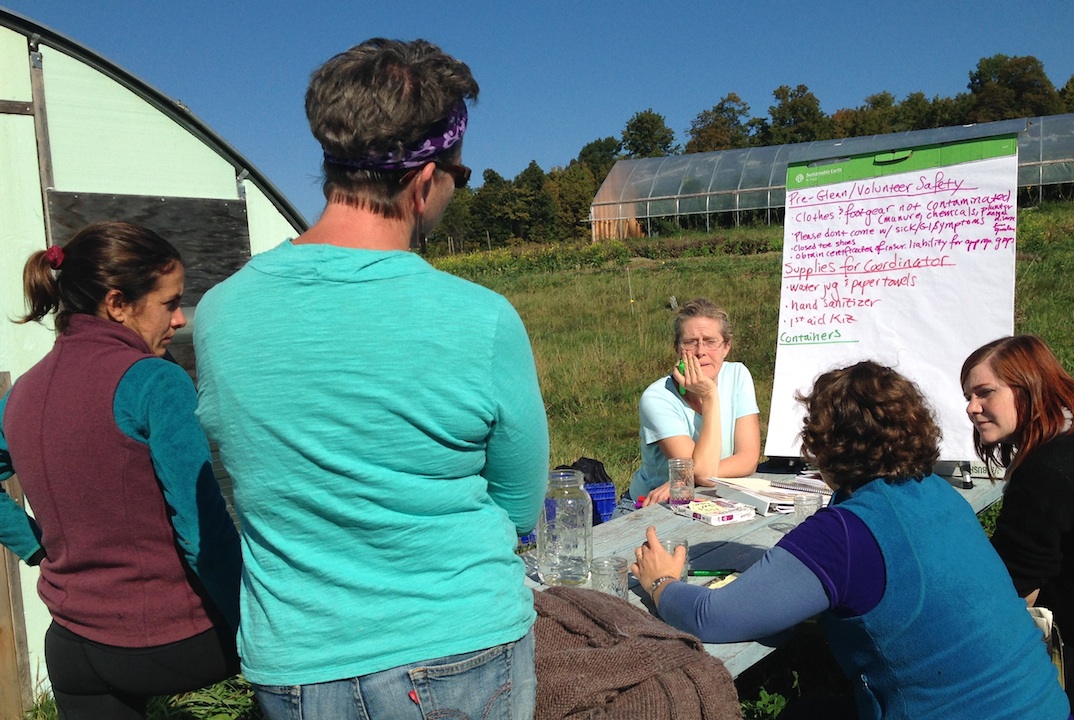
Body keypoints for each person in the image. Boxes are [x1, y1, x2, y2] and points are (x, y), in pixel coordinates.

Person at [193, 38, 549, 720]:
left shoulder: (220, 314)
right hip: (461, 644)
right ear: (424, 182)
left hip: (296, 662)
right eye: (458, 175)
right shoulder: (483, 320)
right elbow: (516, 504)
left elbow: (247, 476)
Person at [633, 361, 1069, 720]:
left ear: (823, 442)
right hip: (1044, 705)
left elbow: (714, 616)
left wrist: (661, 584)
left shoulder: (845, 533)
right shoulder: (936, 492)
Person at [0, 221, 241, 720]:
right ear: (117, 304)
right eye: (169, 302)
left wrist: (33, 545)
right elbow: (202, 533)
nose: (179, 319)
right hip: (171, 639)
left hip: (72, 646)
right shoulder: (155, 381)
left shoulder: (21, 393)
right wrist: (253, 622)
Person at [962, 334, 1074, 696]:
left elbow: (1016, 586)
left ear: (1027, 388)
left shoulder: (1046, 469)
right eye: (968, 397)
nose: (971, 408)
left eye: (985, 393)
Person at [618, 298, 759, 513]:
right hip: (651, 506)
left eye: (711, 341)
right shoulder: (657, 398)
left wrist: (688, 479)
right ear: (677, 348)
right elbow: (701, 472)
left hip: (713, 498)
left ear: (726, 347)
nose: (700, 351)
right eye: (690, 342)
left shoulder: (738, 375)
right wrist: (710, 396)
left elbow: (747, 458)